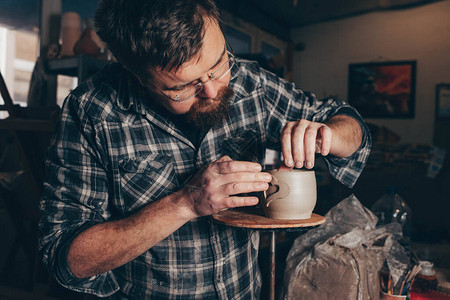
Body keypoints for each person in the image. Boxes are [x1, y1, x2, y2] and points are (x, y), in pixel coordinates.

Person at [39, 0, 371, 298]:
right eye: (184, 86)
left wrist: (329, 133)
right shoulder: (92, 112)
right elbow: (67, 257)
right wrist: (183, 204)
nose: (212, 90)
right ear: (138, 76)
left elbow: (351, 126)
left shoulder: (253, 84)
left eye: (217, 63)